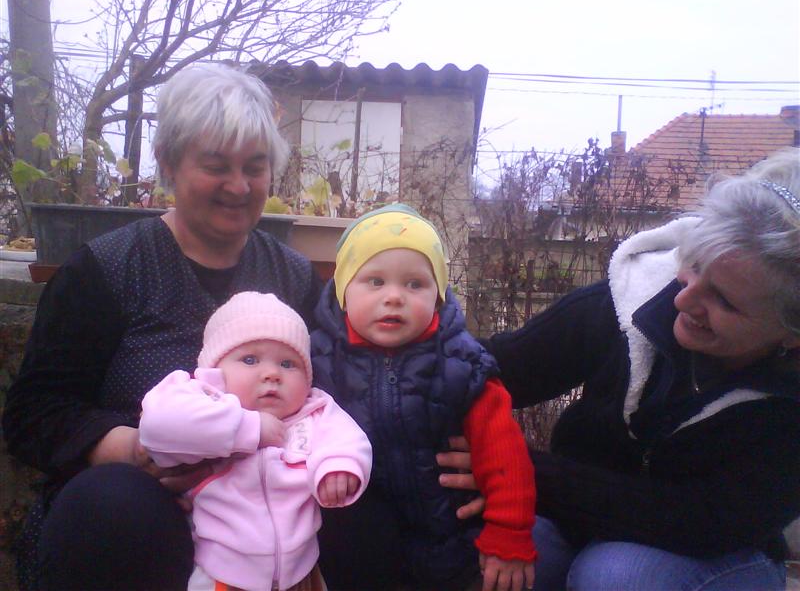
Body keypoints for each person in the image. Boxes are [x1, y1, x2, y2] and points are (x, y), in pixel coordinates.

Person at [2, 62, 322, 590]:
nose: (239, 185)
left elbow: (343, 388)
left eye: (255, 166)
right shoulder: (106, 270)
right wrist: (134, 451)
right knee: (112, 508)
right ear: (169, 162)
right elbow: (34, 412)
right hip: (140, 513)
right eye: (216, 165)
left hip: (266, 511)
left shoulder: (293, 278)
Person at [467, 147, 800, 591]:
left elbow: (700, 520)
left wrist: (509, 468)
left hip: (712, 552)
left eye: (724, 300)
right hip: (582, 523)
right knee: (474, 543)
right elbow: (497, 367)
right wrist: (397, 356)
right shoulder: (634, 300)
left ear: (791, 332)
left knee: (614, 576)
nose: (682, 299)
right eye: (694, 266)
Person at [310, 204, 537, 591]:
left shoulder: (461, 363)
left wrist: (508, 532)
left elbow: (504, 452)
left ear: (439, 296)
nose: (394, 297)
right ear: (343, 289)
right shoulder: (318, 361)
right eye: (375, 281)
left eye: (415, 284)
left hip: (452, 538)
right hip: (358, 548)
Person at [139, 292, 372, 591]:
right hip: (222, 573)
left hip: (301, 572)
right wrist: (248, 428)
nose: (272, 373)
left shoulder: (313, 411)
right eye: (250, 359)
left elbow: (347, 438)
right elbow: (157, 426)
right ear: (214, 371)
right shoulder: (198, 397)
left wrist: (339, 466)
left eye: (288, 363)